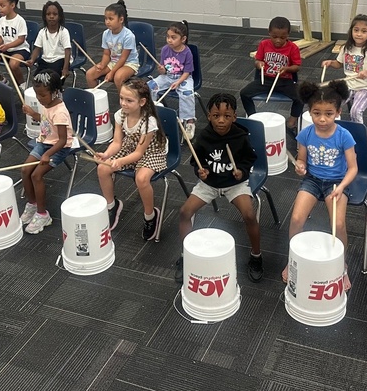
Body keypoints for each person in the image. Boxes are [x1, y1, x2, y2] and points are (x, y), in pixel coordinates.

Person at [175, 93, 262, 282]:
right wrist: (201, 171)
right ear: (208, 116)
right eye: (216, 116)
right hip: (210, 184)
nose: (221, 120)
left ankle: (256, 256)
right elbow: (196, 162)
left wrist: (242, 172)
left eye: (226, 116)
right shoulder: (204, 136)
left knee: (249, 214)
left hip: (235, 184)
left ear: (234, 117)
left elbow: (250, 160)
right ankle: (184, 256)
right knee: (184, 212)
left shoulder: (240, 136)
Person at [284, 80, 357, 285]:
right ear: (309, 112)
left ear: (338, 112)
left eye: (328, 113)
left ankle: (342, 266)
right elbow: (302, 159)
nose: (322, 119)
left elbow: (353, 168)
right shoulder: (305, 134)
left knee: (339, 224)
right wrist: (299, 166)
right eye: (317, 113)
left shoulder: (344, 135)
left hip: (336, 182)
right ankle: (292, 261)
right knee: (297, 218)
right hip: (313, 180)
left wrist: (341, 187)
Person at [94, 78, 167, 241]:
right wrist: (106, 154)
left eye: (129, 100)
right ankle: (112, 206)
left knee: (141, 179)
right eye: (121, 98)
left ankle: (150, 215)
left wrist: (119, 162)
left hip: (151, 152)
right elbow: (117, 142)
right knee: (102, 168)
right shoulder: (120, 115)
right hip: (129, 147)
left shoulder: (149, 122)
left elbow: (140, 153)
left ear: (142, 102)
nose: (123, 103)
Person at [19, 70, 75, 234]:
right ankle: (32, 204)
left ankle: (43, 214)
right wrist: (32, 113)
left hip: (59, 147)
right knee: (24, 170)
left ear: (55, 92)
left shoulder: (60, 112)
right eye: (37, 94)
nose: (39, 98)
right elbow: (45, 120)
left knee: (37, 175)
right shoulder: (47, 104)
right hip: (44, 142)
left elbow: (63, 140)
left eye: (42, 95)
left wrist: (48, 154)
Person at [240, 16, 304, 133]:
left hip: (284, 81)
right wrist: (259, 64)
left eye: (282, 37)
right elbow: (257, 61)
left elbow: (297, 67)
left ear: (288, 35)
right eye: (274, 37)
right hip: (265, 80)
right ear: (269, 33)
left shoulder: (293, 48)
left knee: (301, 96)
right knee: (244, 93)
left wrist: (287, 68)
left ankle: (293, 119)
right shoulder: (264, 44)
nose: (278, 40)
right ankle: (253, 118)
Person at [321, 14, 367, 124]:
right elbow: (339, 64)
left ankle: (358, 136)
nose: (359, 34)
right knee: (332, 105)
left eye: (364, 31)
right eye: (356, 30)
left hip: (366, 87)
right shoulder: (346, 48)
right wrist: (330, 62)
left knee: (355, 111)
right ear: (351, 32)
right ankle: (330, 131)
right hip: (349, 85)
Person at [148, 20, 196, 138]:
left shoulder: (187, 52)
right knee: (149, 86)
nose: (169, 40)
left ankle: (189, 121)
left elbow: (187, 72)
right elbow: (163, 70)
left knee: (187, 93)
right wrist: (161, 69)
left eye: (173, 37)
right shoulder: (165, 49)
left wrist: (178, 82)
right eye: (168, 37)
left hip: (183, 78)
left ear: (183, 39)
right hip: (167, 77)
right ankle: (151, 114)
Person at [85, 0, 139, 89]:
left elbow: (123, 58)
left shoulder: (129, 36)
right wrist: (102, 65)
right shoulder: (106, 34)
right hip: (113, 62)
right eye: (106, 18)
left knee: (118, 77)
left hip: (128, 64)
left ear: (121, 19)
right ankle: (96, 99)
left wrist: (112, 72)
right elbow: (106, 54)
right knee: (90, 74)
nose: (107, 22)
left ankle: (123, 101)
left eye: (110, 19)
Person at [28, 1, 71, 79]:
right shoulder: (42, 32)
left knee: (52, 79)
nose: (51, 16)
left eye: (55, 14)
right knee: (37, 79)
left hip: (59, 60)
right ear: (44, 17)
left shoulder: (64, 32)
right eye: (48, 14)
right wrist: (32, 59)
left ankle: (57, 90)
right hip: (45, 61)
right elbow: (37, 48)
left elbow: (67, 51)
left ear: (60, 16)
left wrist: (65, 68)